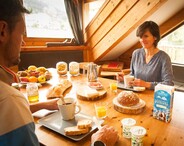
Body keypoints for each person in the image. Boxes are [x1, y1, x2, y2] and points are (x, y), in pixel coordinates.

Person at [0, 0, 118, 146]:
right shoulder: (9, 100)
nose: (23, 43)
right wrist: (98, 143)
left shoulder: (10, 101)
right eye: (21, 34)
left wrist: (43, 105)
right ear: (2, 31)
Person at [117, 21, 174, 89]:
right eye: (140, 37)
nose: (142, 40)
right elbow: (133, 75)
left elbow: (168, 84)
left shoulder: (164, 58)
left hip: (154, 97)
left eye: (146, 36)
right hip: (136, 94)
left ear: (155, 37)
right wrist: (124, 78)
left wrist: (146, 84)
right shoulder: (136, 53)